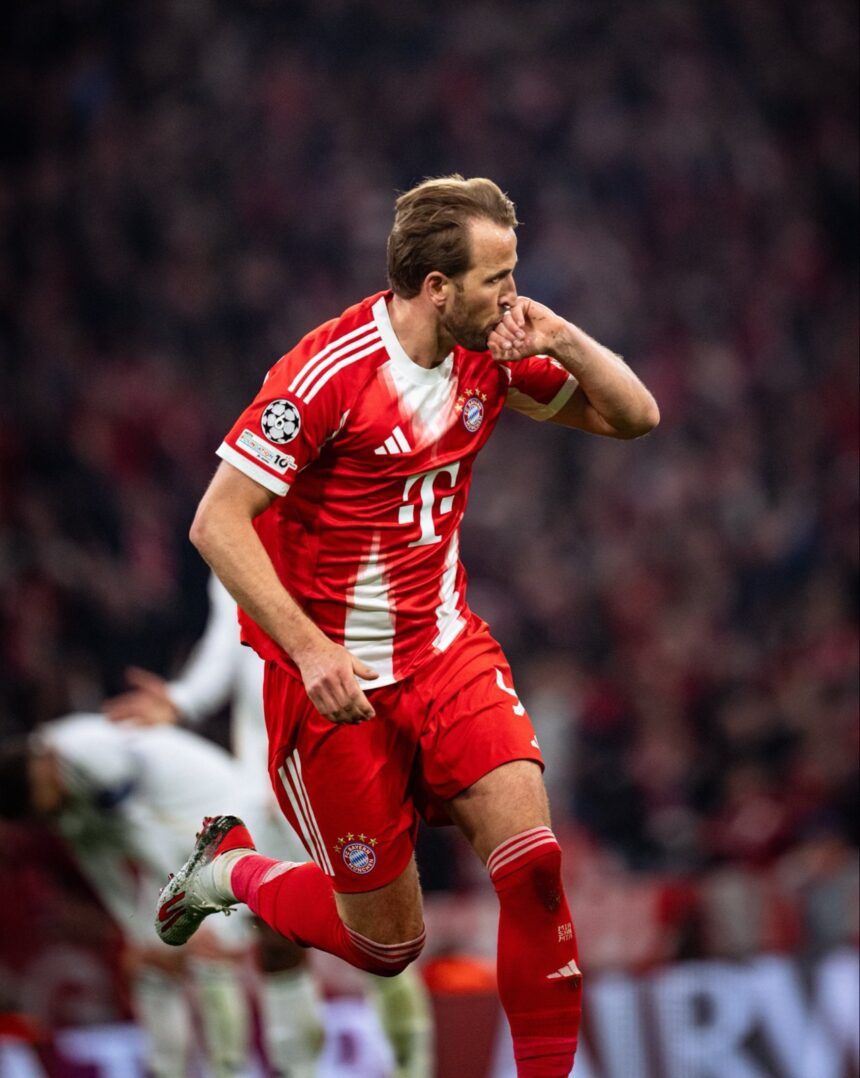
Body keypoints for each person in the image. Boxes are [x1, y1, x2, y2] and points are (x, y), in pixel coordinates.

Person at [156, 174, 659, 1078]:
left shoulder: (492, 353)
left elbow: (635, 417)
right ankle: (226, 870)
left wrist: (566, 339)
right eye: (497, 277)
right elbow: (215, 521)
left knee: (535, 866)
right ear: (437, 286)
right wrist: (309, 650)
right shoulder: (326, 376)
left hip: (445, 652)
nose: (514, 293)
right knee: (387, 948)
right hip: (335, 686)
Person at [105, 571, 434, 1077]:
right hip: (270, 784)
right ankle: (299, 1069)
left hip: (348, 766)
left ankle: (415, 1067)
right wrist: (183, 700)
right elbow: (227, 644)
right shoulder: (233, 539)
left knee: (380, 927)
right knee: (276, 938)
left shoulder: (346, 525)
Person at [0, 713, 266, 1078]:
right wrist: (135, 936)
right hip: (174, 838)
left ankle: (231, 1071)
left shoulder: (91, 755)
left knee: (210, 952)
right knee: (150, 966)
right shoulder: (59, 794)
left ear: (42, 770)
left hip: (215, 814)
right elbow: (102, 866)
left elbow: (146, 836)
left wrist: (188, 918)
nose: (50, 816)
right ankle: (165, 1070)